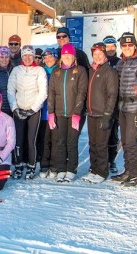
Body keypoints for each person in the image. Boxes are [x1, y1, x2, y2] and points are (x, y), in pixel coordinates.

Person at [111, 33, 137, 187]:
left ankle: (135, 173)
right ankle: (128, 170)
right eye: (124, 45)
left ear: (135, 46)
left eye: (130, 45)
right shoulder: (121, 63)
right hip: (122, 107)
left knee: (130, 142)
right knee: (125, 140)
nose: (127, 48)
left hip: (135, 108)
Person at [47, 44, 88, 182]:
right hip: (59, 113)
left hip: (74, 114)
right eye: (64, 55)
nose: (66, 57)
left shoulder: (80, 71)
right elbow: (51, 93)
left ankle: (71, 169)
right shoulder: (56, 72)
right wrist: (51, 113)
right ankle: (61, 168)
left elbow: (82, 93)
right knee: (60, 142)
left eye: (69, 55)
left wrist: (77, 112)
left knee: (71, 142)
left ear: (74, 56)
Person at [7, 45, 47, 180]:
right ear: (22, 57)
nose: (28, 58)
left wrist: (33, 109)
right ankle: (18, 165)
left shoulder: (39, 70)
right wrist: (15, 108)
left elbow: (43, 92)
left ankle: (31, 165)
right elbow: (10, 91)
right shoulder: (16, 70)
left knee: (31, 140)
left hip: (33, 111)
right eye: (25, 55)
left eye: (30, 55)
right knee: (18, 140)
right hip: (19, 109)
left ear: (34, 56)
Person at [83, 43, 118, 184]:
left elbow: (112, 95)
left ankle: (102, 171)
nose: (97, 57)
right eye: (95, 54)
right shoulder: (91, 70)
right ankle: (94, 168)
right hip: (91, 113)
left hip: (103, 113)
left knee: (102, 144)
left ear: (105, 55)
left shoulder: (109, 72)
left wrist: (107, 114)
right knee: (93, 144)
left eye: (100, 54)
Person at [39, 48, 59, 178]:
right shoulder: (41, 71)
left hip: (57, 111)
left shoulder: (60, 70)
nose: (48, 60)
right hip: (43, 110)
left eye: (50, 57)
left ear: (55, 57)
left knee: (56, 140)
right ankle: (44, 165)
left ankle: (54, 165)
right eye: (45, 58)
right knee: (44, 140)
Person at [102, 35, 121, 173]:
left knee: (113, 134)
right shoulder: (99, 62)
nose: (110, 49)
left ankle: (111, 160)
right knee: (101, 134)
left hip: (115, 105)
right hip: (100, 104)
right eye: (107, 47)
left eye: (112, 46)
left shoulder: (120, 63)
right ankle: (100, 160)